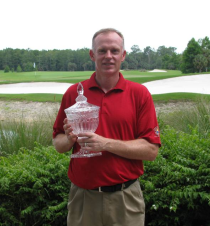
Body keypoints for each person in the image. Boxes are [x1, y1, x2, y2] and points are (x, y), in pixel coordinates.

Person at [52, 28, 161, 226]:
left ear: (123, 55)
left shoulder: (139, 94)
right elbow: (58, 144)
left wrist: (105, 144)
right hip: (83, 198)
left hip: (125, 198)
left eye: (114, 51)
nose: (108, 56)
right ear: (92, 55)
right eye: (102, 51)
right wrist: (69, 139)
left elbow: (151, 150)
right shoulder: (74, 93)